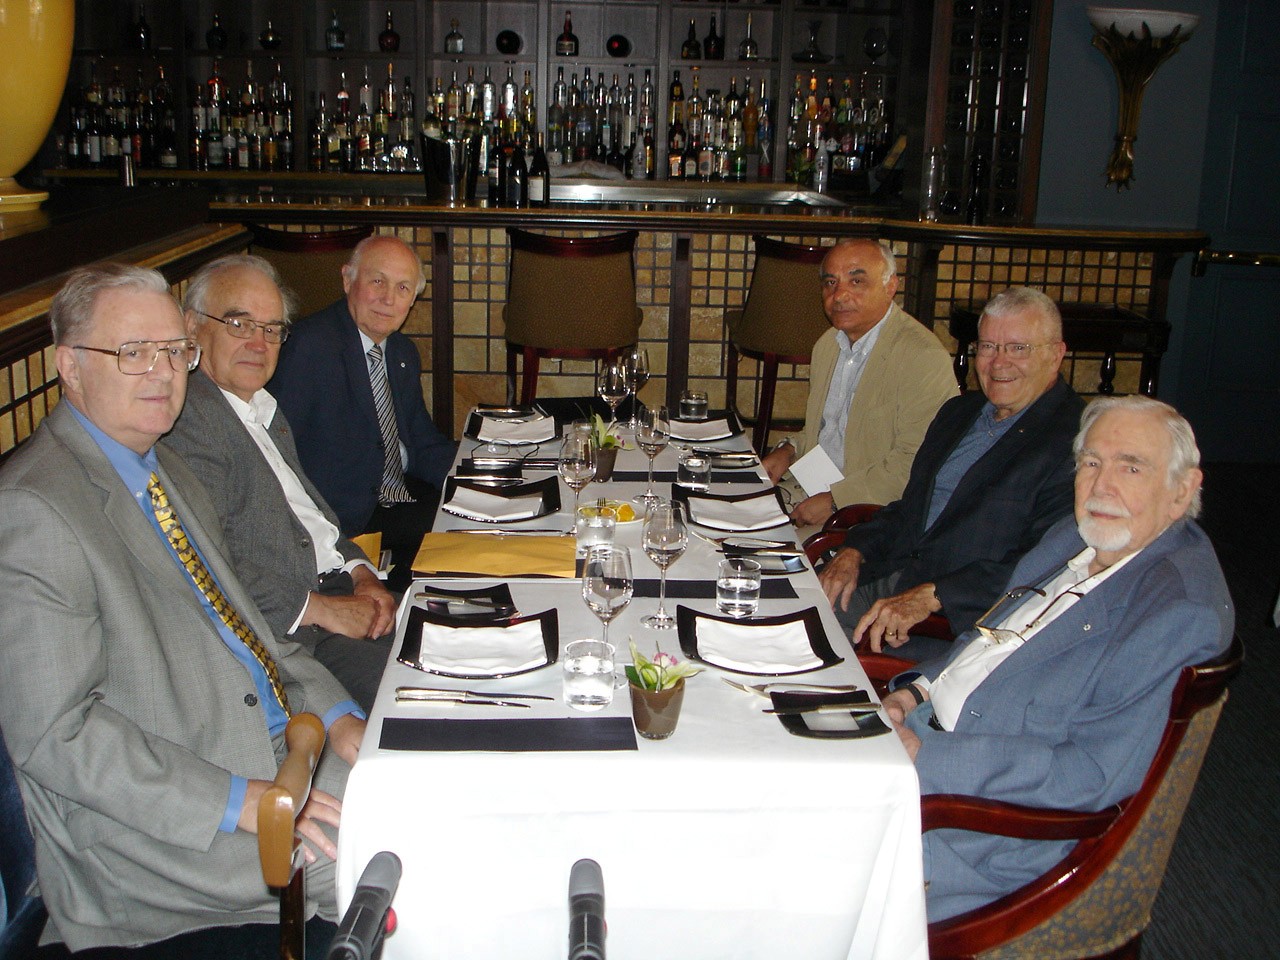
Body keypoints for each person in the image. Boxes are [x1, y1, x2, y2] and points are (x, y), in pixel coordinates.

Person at [0, 264, 365, 952]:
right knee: (415, 854)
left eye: (174, 351)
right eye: (133, 352)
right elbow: (57, 736)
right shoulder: (33, 510)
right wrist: (244, 800)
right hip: (163, 833)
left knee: (439, 782)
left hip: (279, 752)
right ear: (69, 366)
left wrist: (343, 714)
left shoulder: (167, 471)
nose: (162, 373)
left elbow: (256, 638)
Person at [880, 395, 1234, 922]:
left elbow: (1090, 774)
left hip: (982, 831)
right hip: (922, 733)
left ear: (1182, 491)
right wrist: (912, 693)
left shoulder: (1176, 613)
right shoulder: (1076, 536)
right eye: (1091, 462)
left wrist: (923, 760)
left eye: (1131, 467)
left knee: (777, 864)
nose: (1101, 486)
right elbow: (989, 640)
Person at [167, 255, 397, 711]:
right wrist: (323, 609)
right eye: (240, 323)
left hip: (341, 592)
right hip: (298, 634)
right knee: (417, 709)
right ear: (192, 328)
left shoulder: (262, 408)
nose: (259, 342)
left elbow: (311, 517)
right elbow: (206, 562)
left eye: (272, 329)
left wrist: (362, 574)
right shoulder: (187, 419)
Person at [819, 287, 1084, 659]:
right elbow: (909, 509)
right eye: (988, 347)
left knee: (803, 646)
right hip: (891, 576)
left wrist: (935, 595)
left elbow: (1046, 564)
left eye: (1018, 348)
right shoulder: (959, 413)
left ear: (1056, 354)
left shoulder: (1075, 441)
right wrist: (855, 549)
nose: (999, 362)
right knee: (780, 608)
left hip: (955, 624)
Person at [269, 235, 454, 591]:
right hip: (344, 520)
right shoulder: (308, 348)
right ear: (347, 279)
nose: (389, 299)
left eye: (403, 288)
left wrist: (482, 474)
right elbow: (278, 459)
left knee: (487, 533)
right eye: (377, 281)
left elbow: (422, 443)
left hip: (396, 498)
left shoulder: (400, 351)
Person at [761, 238, 957, 526]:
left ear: (891, 286)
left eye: (856, 281)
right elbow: (828, 434)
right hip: (811, 488)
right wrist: (788, 450)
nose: (839, 295)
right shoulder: (828, 345)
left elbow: (918, 462)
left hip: (871, 514)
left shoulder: (922, 357)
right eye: (830, 283)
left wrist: (837, 500)